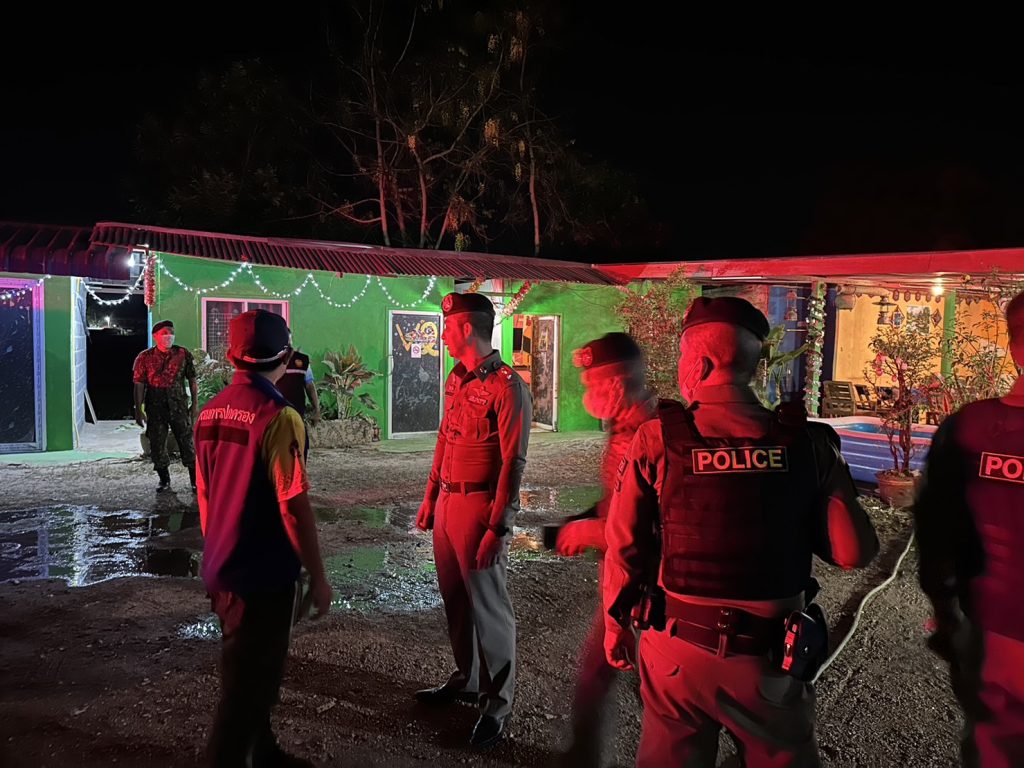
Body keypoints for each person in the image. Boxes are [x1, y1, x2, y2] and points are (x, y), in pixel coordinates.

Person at [603, 296, 879, 767]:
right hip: (769, 659)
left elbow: (624, 546)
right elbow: (854, 552)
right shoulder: (809, 442)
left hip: (677, 652)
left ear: (701, 364)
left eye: (685, 357)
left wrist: (615, 625)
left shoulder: (657, 438)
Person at [195, 309, 333, 768]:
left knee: (247, 674)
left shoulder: (209, 411)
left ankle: (265, 752)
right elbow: (293, 506)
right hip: (263, 575)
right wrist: (318, 575)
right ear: (287, 357)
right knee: (246, 692)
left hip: (223, 568)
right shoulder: (279, 416)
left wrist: (216, 554)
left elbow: (205, 493)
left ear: (231, 356)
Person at [414, 291, 532, 749]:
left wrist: (499, 526)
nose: (443, 334)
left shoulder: (507, 386)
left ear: (467, 328)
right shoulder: (456, 378)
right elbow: (445, 438)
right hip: (448, 503)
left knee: (488, 606)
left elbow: (513, 463)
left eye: (448, 327)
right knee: (456, 601)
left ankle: (497, 706)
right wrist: (430, 498)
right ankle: (468, 679)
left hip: (479, 506)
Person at [914, 291, 1024, 768]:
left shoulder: (968, 429)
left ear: (1014, 348)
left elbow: (936, 533)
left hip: (994, 636)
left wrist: (947, 616)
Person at [552, 332, 656, 767]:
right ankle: (584, 756)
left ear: (615, 383)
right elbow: (620, 500)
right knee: (605, 673)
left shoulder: (651, 433)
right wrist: (582, 519)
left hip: (646, 584)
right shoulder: (623, 426)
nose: (586, 393)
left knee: (648, 683)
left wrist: (588, 532)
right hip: (620, 576)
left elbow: (649, 527)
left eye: (592, 383)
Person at [132, 319, 198, 492]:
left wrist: (195, 404)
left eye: (171, 333)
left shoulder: (182, 354)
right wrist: (138, 410)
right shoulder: (144, 357)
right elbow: (139, 384)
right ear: (155, 336)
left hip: (179, 406)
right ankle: (164, 480)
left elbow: (192, 380)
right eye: (164, 333)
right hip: (155, 408)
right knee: (157, 444)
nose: (169, 336)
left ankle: (195, 481)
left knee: (187, 442)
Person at [277, 347, 322, 427]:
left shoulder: (302, 359)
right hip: (275, 413)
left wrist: (317, 410)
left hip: (297, 411)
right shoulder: (269, 359)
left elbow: (309, 385)